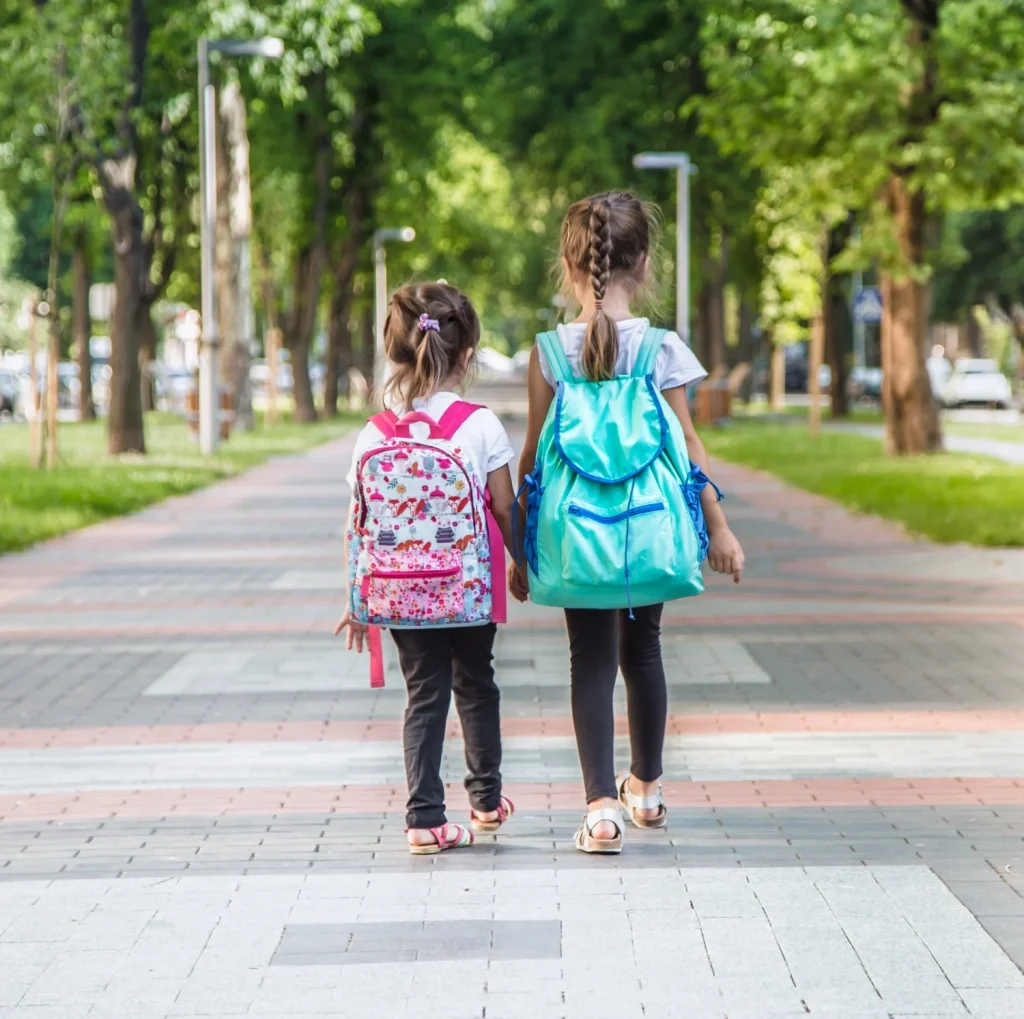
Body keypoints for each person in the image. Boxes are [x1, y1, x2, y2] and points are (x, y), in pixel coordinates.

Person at [511, 191, 746, 853]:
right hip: (648, 529)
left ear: (568, 265)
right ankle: (646, 787)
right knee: (643, 649)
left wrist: (520, 548)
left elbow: (533, 457)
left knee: (588, 658)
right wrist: (719, 528)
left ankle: (600, 810)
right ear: (643, 265)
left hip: (575, 532)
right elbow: (689, 446)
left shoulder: (549, 352)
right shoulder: (661, 349)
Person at [335, 282, 519, 855]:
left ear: (394, 352)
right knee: (477, 683)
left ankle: (424, 818)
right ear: (467, 356)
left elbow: (357, 524)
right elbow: (504, 506)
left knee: (424, 694)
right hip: (467, 588)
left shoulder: (374, 433)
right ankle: (486, 801)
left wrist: (356, 601)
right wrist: (522, 563)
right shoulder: (480, 424)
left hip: (399, 593)